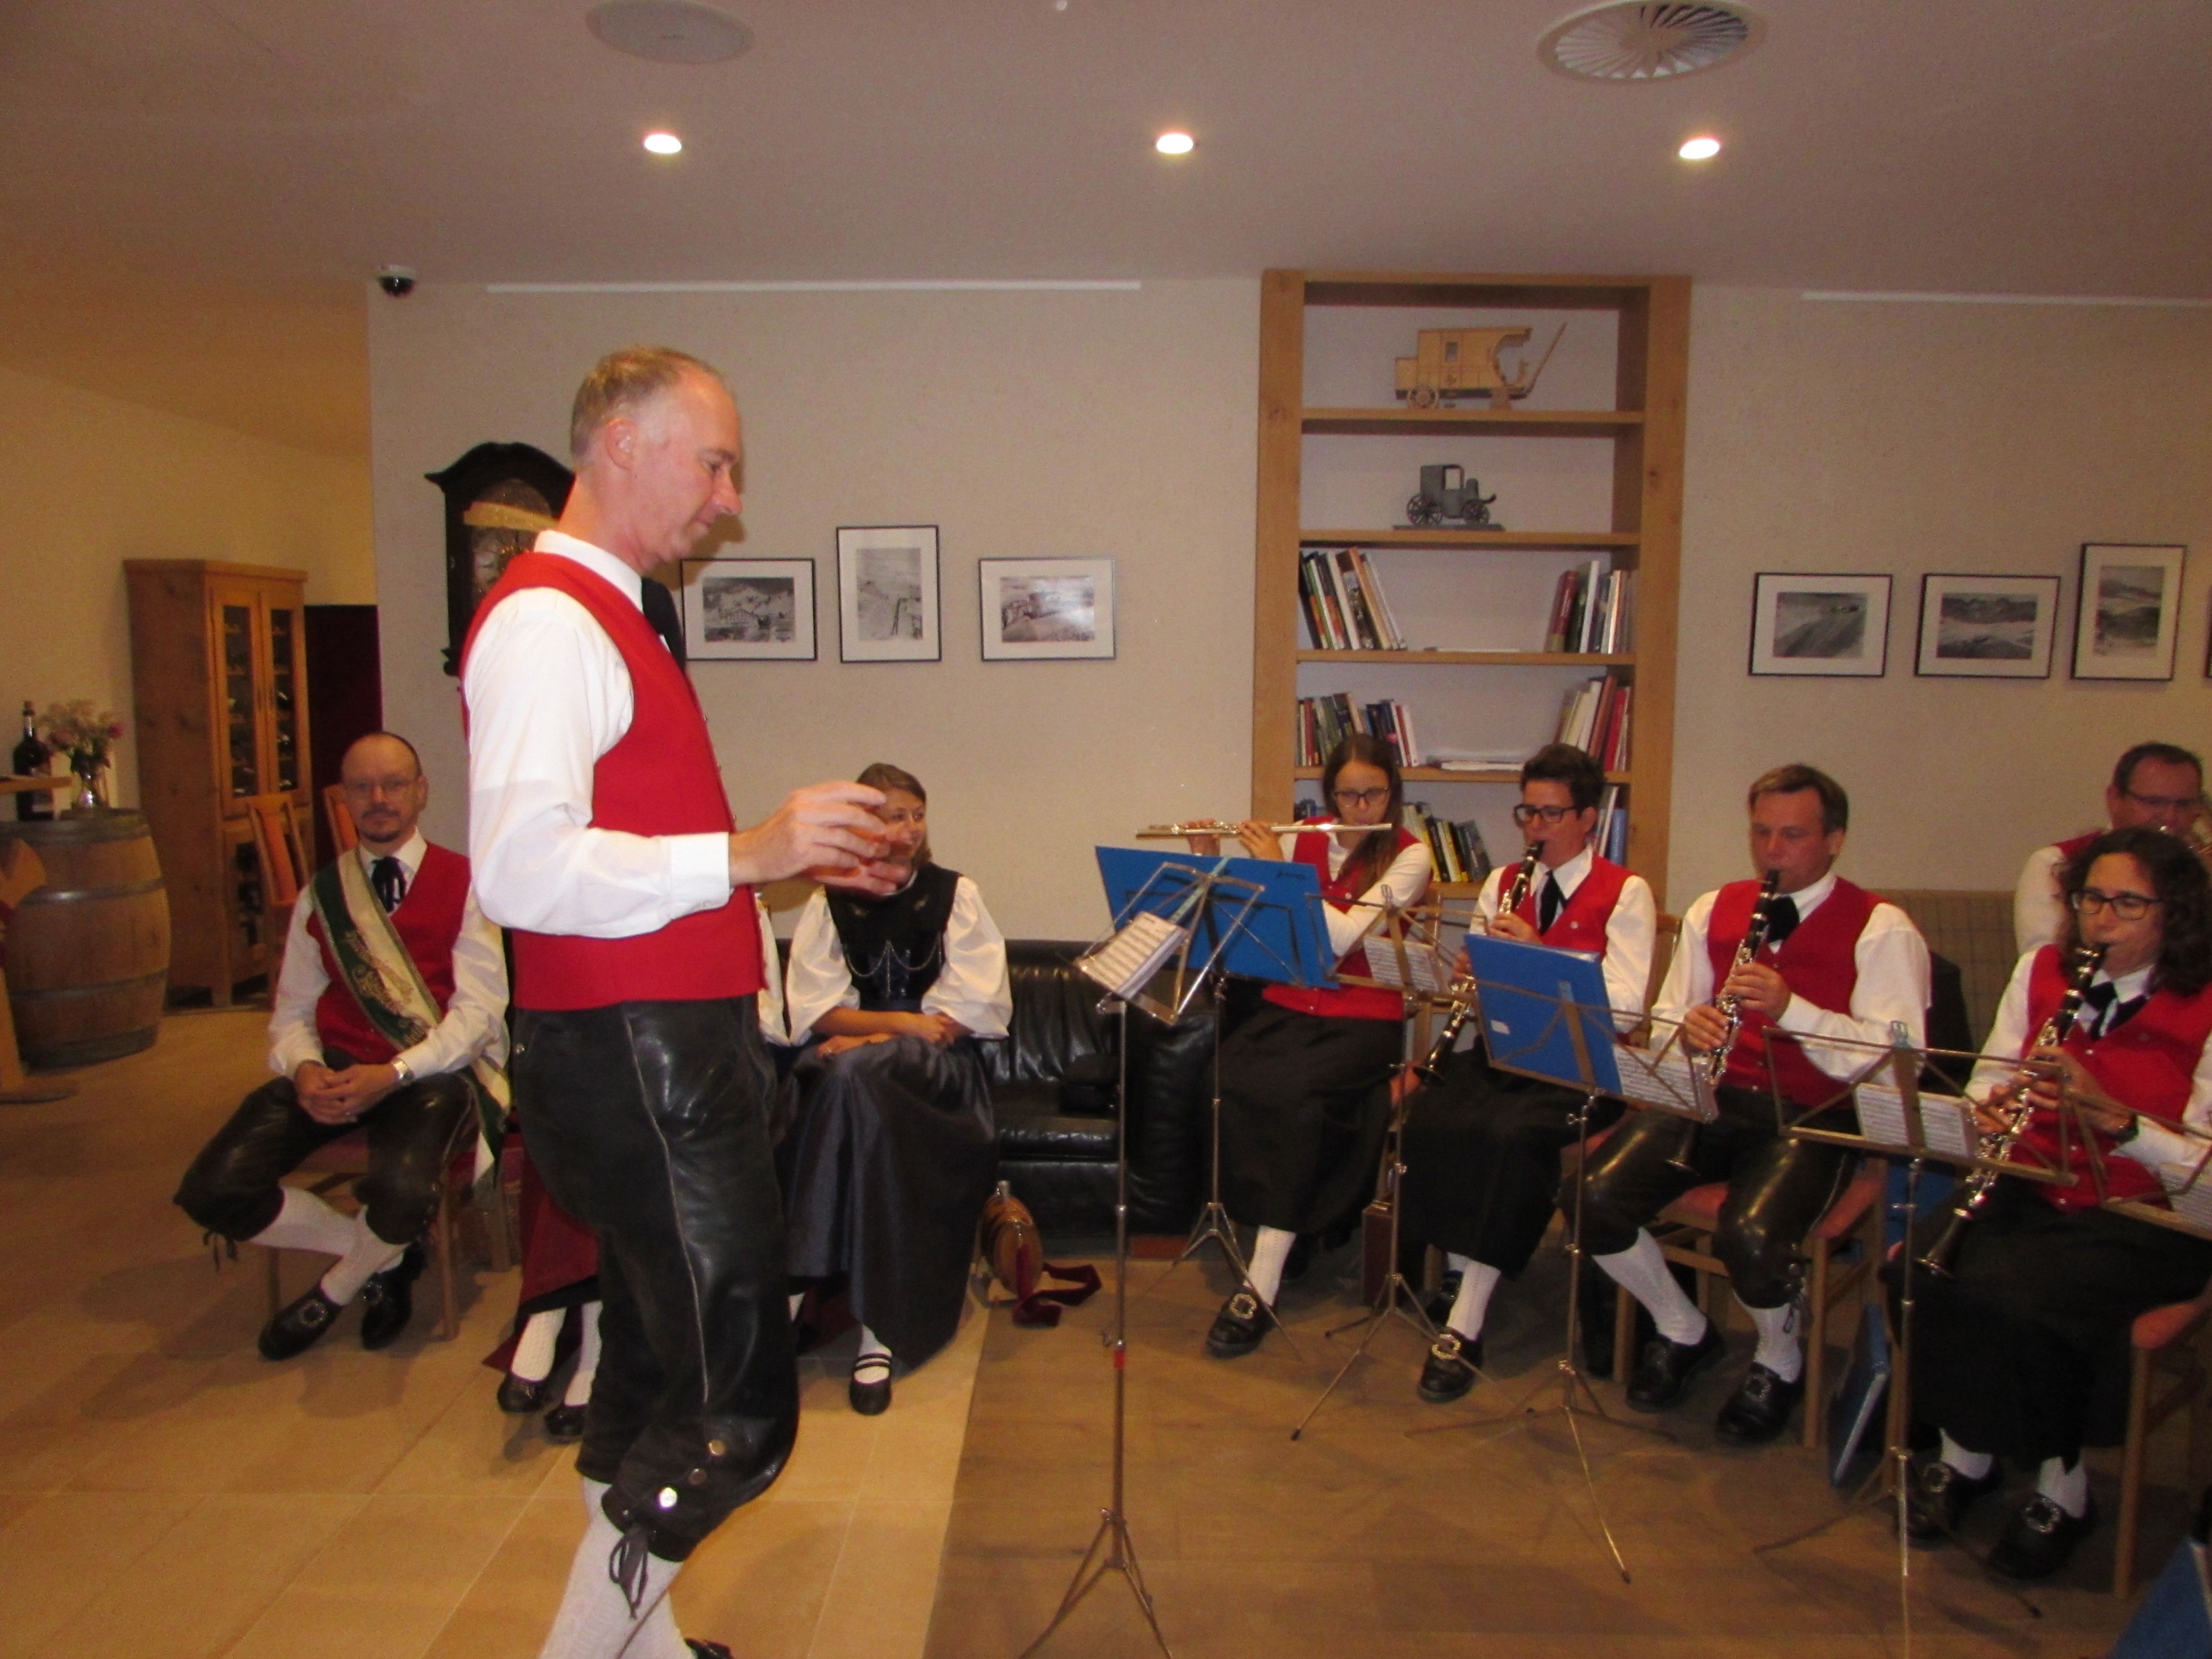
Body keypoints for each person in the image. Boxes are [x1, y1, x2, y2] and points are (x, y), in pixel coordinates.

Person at [461, 344, 899, 1659]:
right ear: (619, 442)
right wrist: (746, 855)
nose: (727, 499)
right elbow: (519, 869)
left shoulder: (612, 613)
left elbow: (628, 849)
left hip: (660, 1052)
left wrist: (769, 863)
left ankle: (634, 1646)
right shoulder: (549, 619)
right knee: (734, 1414)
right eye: (712, 464)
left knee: (657, 1373)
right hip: (637, 1058)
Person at [1577, 764, 1930, 1443]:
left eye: (1792, 836)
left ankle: (1778, 1357)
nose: (1772, 851)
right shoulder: (1715, 908)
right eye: (1761, 832)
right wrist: (1689, 1029)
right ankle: (1683, 1326)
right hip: (1715, 1098)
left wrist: (1793, 1009)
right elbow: (1667, 1016)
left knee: (1751, 1233)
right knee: (1592, 1197)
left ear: (1834, 840)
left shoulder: (1882, 928)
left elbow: (1896, 1063)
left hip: (1816, 1114)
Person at [1902, 827, 2212, 1580]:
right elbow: (1987, 1077)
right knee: (1917, 1269)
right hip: (2035, 1180)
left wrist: (2116, 1120)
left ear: (2174, 913)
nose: (2102, 918)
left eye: (2128, 903)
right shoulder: (2042, 970)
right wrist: (1989, 1108)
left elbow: (2202, 1169)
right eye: (2090, 899)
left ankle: (2062, 1487)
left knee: (2024, 1304)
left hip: (2151, 1213)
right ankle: (1968, 1454)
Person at [175, 732, 508, 1360]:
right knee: (213, 1188)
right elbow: (292, 1011)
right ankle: (387, 1257)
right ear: (346, 799)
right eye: (362, 787)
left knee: (402, 1196)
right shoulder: (322, 894)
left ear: (421, 792)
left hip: (431, 1077)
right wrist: (303, 1068)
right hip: (333, 1074)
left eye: (393, 784)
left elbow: (478, 1017)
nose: (378, 799)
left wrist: (395, 1072)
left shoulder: (468, 885)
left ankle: (336, 1289)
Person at [1396, 743, 1655, 1403]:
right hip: (1509, 1053)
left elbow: (1628, 1004)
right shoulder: (1504, 881)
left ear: (1588, 818)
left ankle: (1466, 1321)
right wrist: (1474, 978)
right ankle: (1461, 1263)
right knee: (1434, 1117)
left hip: (1584, 1069)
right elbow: (1485, 996)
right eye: (1527, 812)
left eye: (1550, 814)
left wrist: (1542, 955)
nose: (1534, 827)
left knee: (1508, 1138)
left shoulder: (1625, 891)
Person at [781, 763, 1013, 1415]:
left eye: (917, 814)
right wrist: (889, 1029)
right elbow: (816, 1014)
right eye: (894, 816)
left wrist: (882, 1035)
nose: (909, 828)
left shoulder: (954, 894)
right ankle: (863, 1318)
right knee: (844, 1081)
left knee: (851, 1074)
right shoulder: (829, 900)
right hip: (857, 1071)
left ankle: (810, 1298)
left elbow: (960, 1016)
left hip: (940, 1074)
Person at [1194, 732, 1433, 1358]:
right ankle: (1286, 1231)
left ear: (1393, 792)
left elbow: (1344, 936)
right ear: (1329, 794)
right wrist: (1210, 859)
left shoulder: (1411, 856)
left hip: (1363, 1016)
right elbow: (1251, 920)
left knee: (1297, 1100)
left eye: (1373, 794)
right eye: (1347, 795)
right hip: (1290, 1002)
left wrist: (1282, 869)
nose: (1360, 807)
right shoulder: (1307, 837)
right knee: (1227, 1078)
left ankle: (1262, 1282)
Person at [2015, 742, 2204, 957]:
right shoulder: (2055, 863)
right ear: (2114, 799)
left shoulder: (2198, 867)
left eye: (2184, 805)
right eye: (2153, 802)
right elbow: (2046, 958)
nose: (2170, 817)